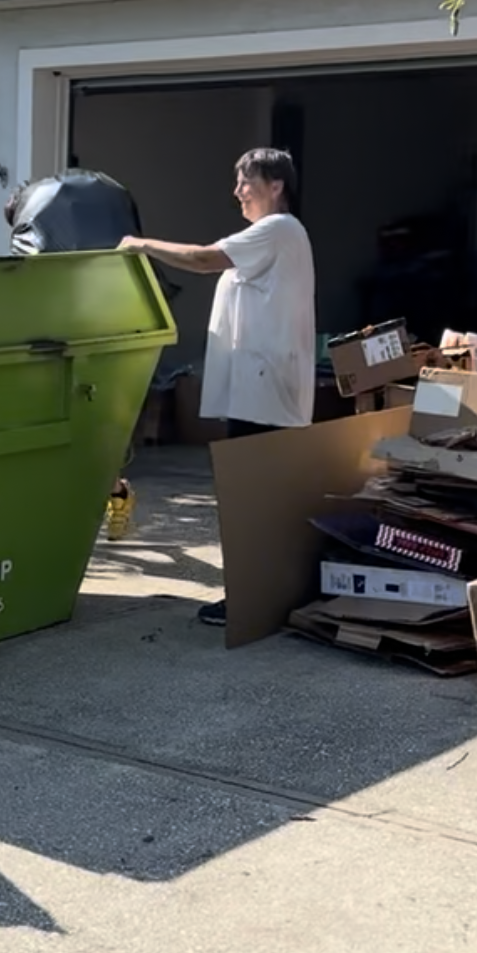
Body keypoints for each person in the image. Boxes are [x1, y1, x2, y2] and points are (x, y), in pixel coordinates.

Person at [119, 146, 315, 626]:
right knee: (250, 499)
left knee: (252, 502)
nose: (238, 192)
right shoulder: (269, 237)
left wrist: (141, 245)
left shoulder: (278, 229)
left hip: (266, 395)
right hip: (258, 391)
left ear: (276, 186)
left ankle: (252, 599)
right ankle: (259, 595)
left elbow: (206, 260)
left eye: (246, 182)